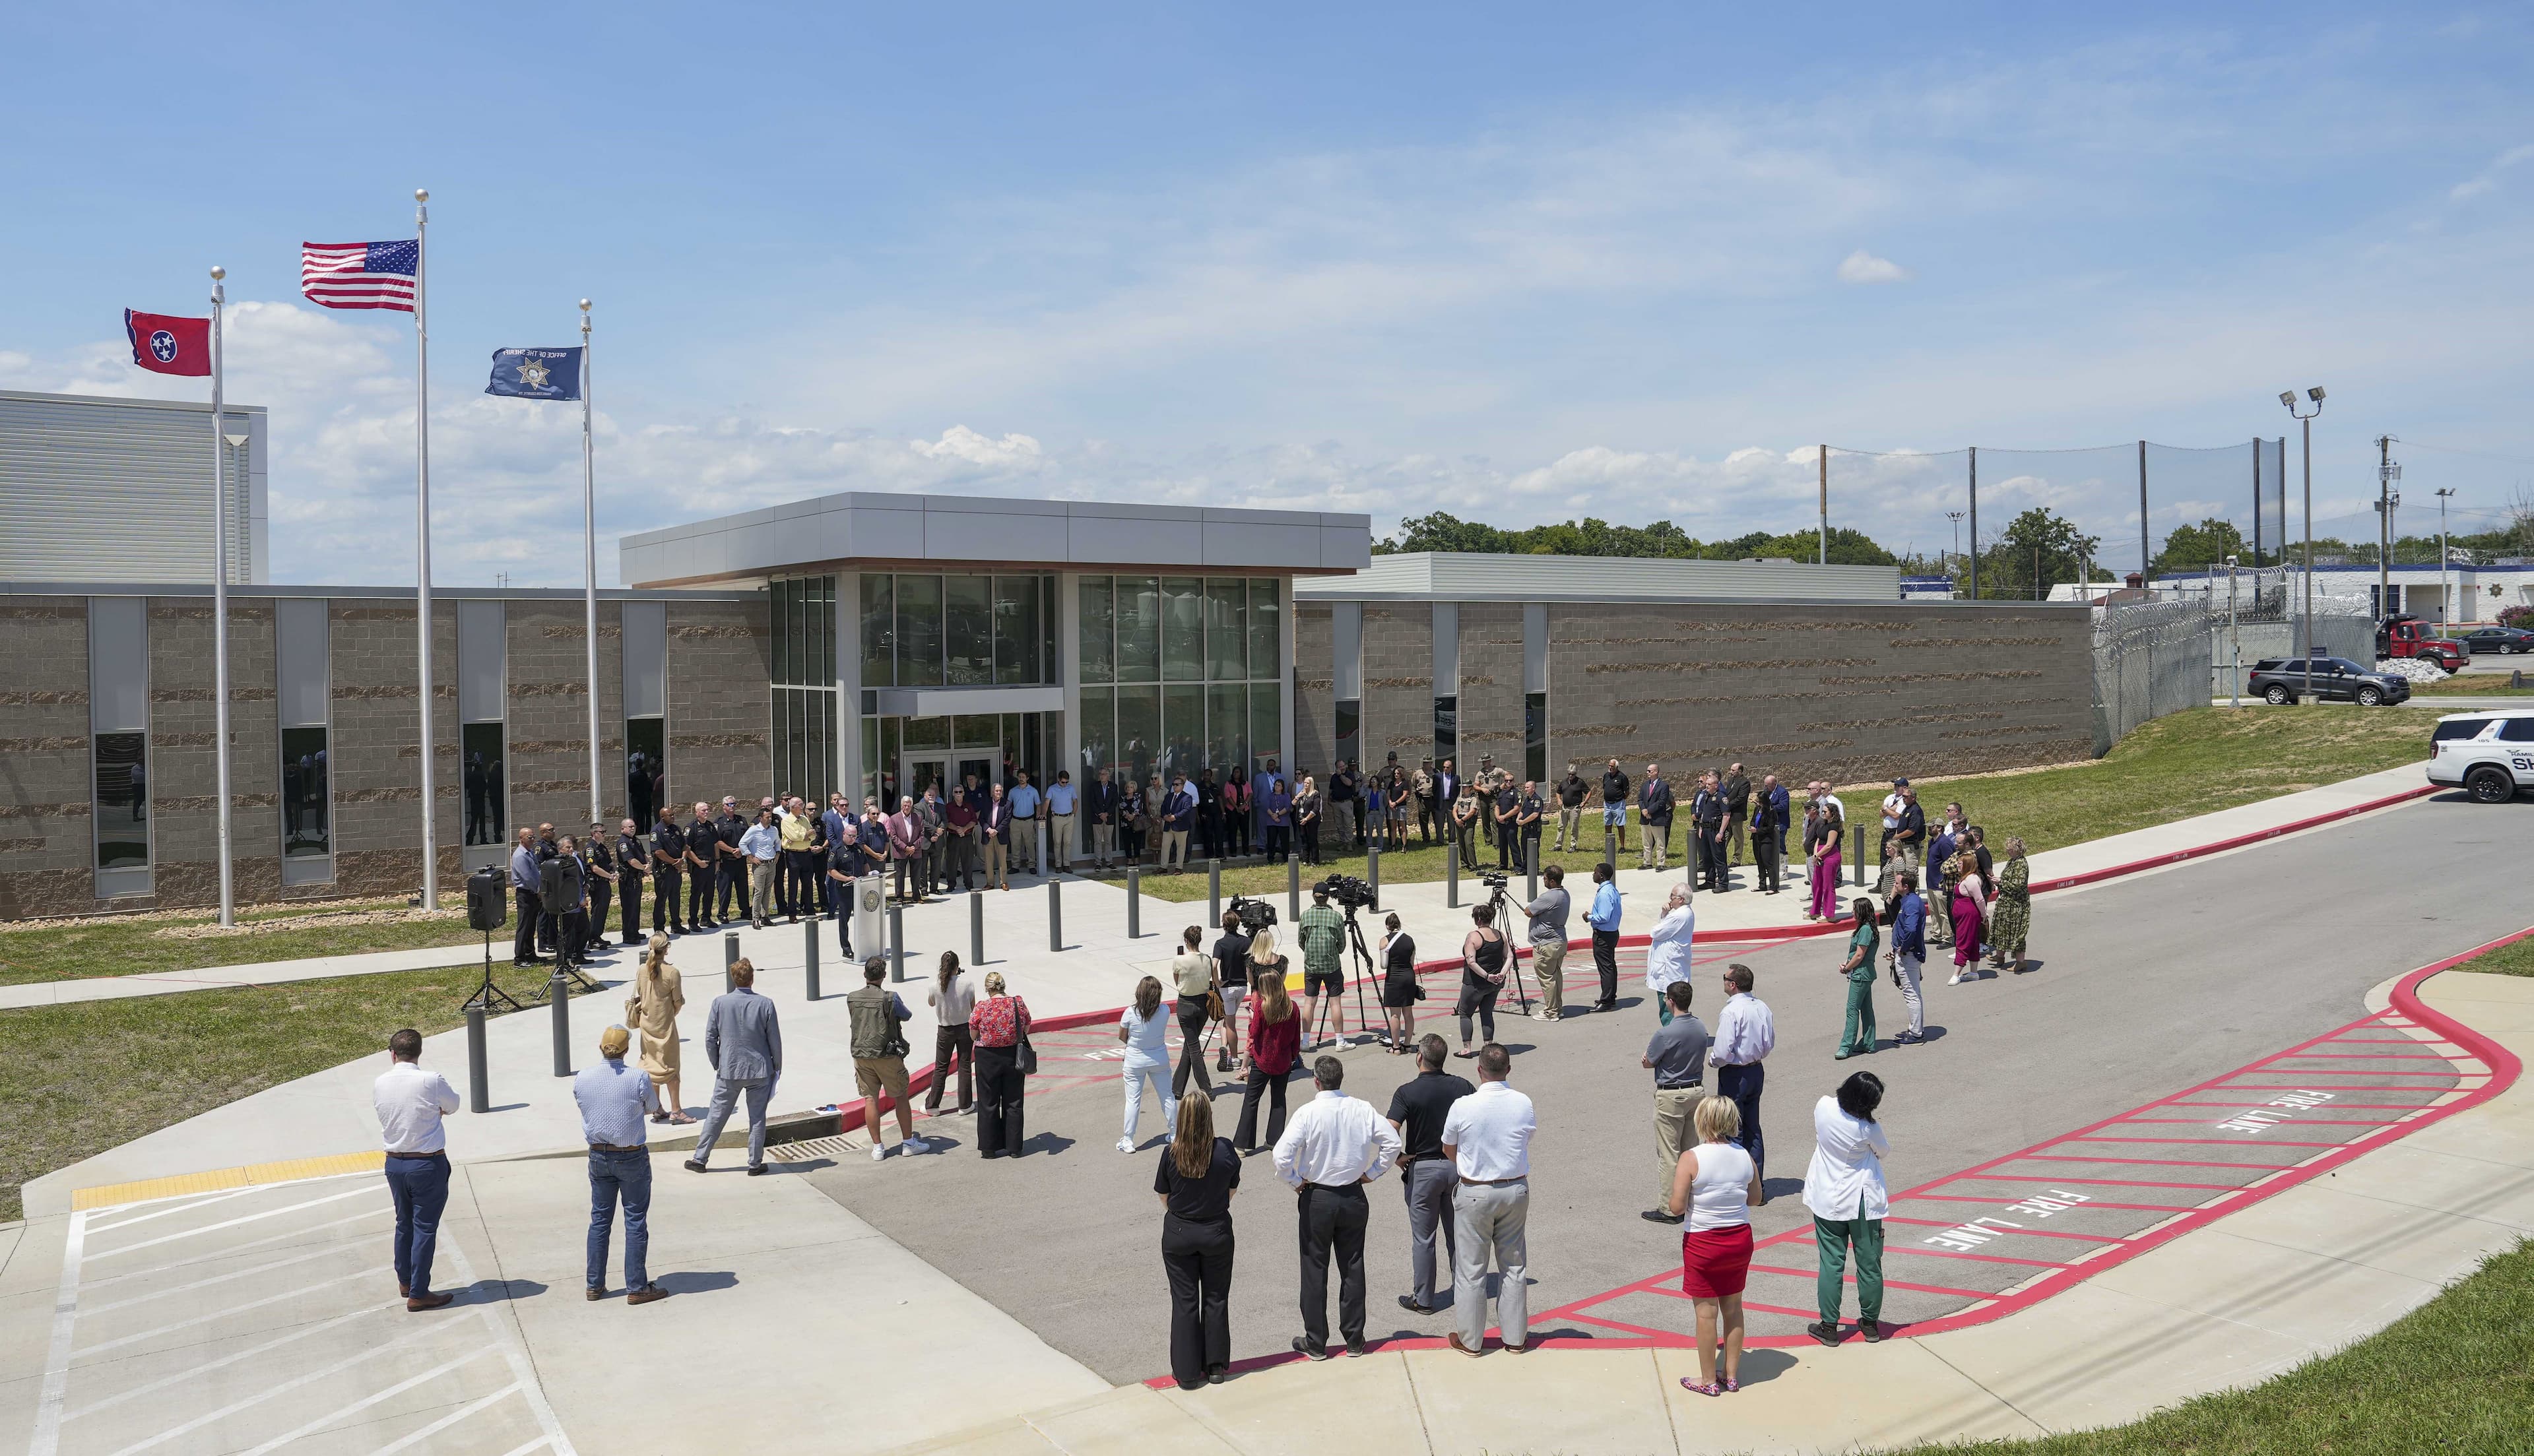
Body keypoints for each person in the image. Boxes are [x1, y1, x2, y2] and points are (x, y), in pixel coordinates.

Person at [1274, 1054, 1404, 1360]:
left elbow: (1281, 1157)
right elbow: (1392, 1143)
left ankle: (1316, 1341)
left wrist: (1295, 1181)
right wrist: (1371, 1173)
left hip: (1317, 1197)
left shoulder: (1307, 1113)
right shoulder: (1361, 1108)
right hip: (1353, 1195)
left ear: (1317, 1081)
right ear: (1340, 1079)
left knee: (1315, 1268)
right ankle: (1355, 1339)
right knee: (1353, 1266)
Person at [1441, 1043, 1535, 1356]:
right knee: (1514, 1265)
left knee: (1471, 1269)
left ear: (1479, 1070)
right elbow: (1524, 1138)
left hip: (1475, 1190)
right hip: (1514, 1189)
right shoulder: (1522, 1102)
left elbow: (1448, 1149)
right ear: (1508, 1069)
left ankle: (1471, 1340)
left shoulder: (1463, 1105)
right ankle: (1516, 1338)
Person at [1667, 1094, 1763, 1395]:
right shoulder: (1744, 1156)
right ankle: (1731, 1375)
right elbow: (1755, 1198)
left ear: (1702, 1121)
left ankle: (1708, 1380)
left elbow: (1676, 1207)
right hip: (1739, 1239)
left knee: (1706, 1313)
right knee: (1733, 1308)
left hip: (1704, 1241)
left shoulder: (1691, 1158)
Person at [574, 1024, 669, 1305]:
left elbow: (582, 1104)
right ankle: (637, 1286)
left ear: (600, 1048)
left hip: (598, 1155)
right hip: (631, 1156)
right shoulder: (638, 1077)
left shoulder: (584, 1077)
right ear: (627, 1050)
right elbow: (652, 1107)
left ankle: (594, 1284)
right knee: (635, 1220)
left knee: (600, 1220)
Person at [1156, 1090, 1241, 1389]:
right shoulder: (1225, 1150)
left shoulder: (1171, 1152)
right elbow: (1230, 1192)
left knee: (1185, 1302)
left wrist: (1183, 1215)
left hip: (1180, 1232)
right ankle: (1215, 1366)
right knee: (1216, 1298)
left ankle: (1187, 1372)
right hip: (1216, 1230)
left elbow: (1164, 1196)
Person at [373, 1028, 459, 1311]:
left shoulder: (381, 1082)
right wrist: (436, 1110)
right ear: (419, 1053)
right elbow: (453, 1105)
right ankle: (419, 1292)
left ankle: (406, 1280)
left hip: (394, 1162)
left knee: (404, 1221)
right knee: (425, 1227)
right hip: (426, 1162)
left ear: (393, 1054)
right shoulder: (430, 1080)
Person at [1386, 1033, 1472, 1314]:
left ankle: (1423, 1299)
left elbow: (1388, 1130)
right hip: (1457, 1168)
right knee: (1458, 1235)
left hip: (1423, 1170)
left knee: (1424, 1239)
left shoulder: (1407, 1091)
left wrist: (1398, 1157)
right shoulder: (1463, 1086)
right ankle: (1466, 1293)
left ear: (1420, 1057)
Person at [1806, 1071, 1891, 1345]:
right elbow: (1883, 1152)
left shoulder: (1824, 1106)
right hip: (1862, 1201)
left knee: (1831, 1263)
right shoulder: (1868, 1129)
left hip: (1827, 1198)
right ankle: (1869, 1325)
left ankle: (1829, 1327)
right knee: (1869, 1264)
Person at [684, 958, 781, 1176]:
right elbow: (774, 1039)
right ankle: (755, 1164)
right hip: (760, 1070)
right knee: (757, 1118)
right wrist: (777, 1066)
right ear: (752, 978)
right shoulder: (765, 1004)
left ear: (733, 978)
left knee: (717, 1115)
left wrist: (717, 1062)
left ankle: (700, 1159)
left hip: (729, 1069)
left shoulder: (720, 1003)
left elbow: (710, 1038)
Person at [1639, 980, 1712, 1223]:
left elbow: (1649, 1061)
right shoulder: (1700, 1028)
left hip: (1671, 1095)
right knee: (1690, 1150)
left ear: (1670, 1001)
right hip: (1696, 1092)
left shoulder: (1666, 1032)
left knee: (1669, 1154)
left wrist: (1648, 1061)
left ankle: (1670, 1208)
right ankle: (1691, 1200)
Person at [849, 957, 932, 1160]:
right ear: (884, 976)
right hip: (886, 1055)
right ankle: (908, 1143)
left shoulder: (852, 998)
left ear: (865, 975)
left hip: (861, 1054)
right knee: (900, 1095)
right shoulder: (890, 998)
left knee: (870, 1099)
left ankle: (878, 1147)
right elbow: (907, 1015)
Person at [1709, 962, 1776, 1201]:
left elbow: (1723, 1050)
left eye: (1725, 978)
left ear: (1733, 984)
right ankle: (1755, 1188)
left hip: (1734, 1074)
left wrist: (1713, 1061)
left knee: (1731, 1129)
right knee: (1752, 1128)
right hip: (1756, 1070)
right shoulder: (1762, 1007)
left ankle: (1735, 1187)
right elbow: (1769, 1043)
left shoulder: (1731, 1011)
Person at [1235, 938, 1299, 1153]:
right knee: (1278, 1100)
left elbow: (1254, 1034)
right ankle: (1274, 1140)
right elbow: (1296, 1037)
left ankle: (1242, 1144)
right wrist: (1292, 1056)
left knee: (1251, 1100)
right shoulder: (1293, 1007)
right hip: (1283, 1060)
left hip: (1263, 1060)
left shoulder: (1262, 1008)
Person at [626, 934, 692, 1124]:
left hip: (647, 1025)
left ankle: (656, 1108)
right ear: (667, 948)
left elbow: (641, 994)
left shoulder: (641, 970)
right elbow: (677, 1002)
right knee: (671, 1068)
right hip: (665, 1026)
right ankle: (676, 1110)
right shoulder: (673, 972)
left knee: (652, 1066)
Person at [1114, 972, 1181, 1152]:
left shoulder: (1130, 1013)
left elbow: (1122, 1036)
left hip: (1135, 1060)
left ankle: (1128, 1140)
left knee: (1133, 1100)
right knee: (1167, 1096)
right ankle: (1174, 1134)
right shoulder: (1165, 1010)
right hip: (1159, 1058)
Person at [971, 971, 1033, 1158]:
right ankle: (1014, 1147)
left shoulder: (982, 1007)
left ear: (987, 988)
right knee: (1013, 1101)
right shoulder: (1017, 1003)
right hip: (1013, 1054)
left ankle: (989, 1148)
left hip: (987, 1057)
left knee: (988, 1102)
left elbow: (973, 1034)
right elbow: (1027, 1027)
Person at [922, 951, 977, 1115]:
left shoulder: (935, 986)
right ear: (957, 967)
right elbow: (973, 1007)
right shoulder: (967, 984)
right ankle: (965, 1105)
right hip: (964, 1028)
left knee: (941, 1067)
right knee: (964, 1065)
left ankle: (933, 1105)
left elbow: (931, 1003)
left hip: (945, 1030)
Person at [1454, 903, 1510, 1058]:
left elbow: (1471, 962)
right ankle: (1489, 1047)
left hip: (1475, 983)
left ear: (1478, 919)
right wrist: (1502, 973)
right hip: (1495, 983)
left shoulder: (1474, 936)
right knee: (1487, 1013)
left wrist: (1486, 975)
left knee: (1465, 1014)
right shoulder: (1500, 934)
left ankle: (1467, 1049)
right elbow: (1509, 956)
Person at [1168, 926, 1216, 1099]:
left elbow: (1177, 981)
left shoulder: (1179, 960)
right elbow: (1215, 980)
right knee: (1190, 1045)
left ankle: (1207, 1089)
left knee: (1193, 1048)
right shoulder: (1207, 960)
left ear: (1186, 941)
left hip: (1186, 1004)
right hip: (1202, 1006)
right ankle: (1176, 1088)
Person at [1297, 885, 1347, 1050]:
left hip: (1311, 965)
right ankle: (1340, 1040)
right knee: (1335, 1003)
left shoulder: (1305, 916)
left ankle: (1305, 1041)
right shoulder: (1336, 917)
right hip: (1331, 965)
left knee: (1309, 1003)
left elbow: (1301, 942)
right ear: (1328, 897)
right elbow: (1342, 944)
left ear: (1313, 896)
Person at [1522, 863, 1570, 1021]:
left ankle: (1551, 1012)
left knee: (1547, 979)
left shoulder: (1549, 896)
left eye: (1546, 878)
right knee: (1555, 976)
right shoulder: (1564, 894)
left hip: (1546, 944)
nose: (1544, 880)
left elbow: (1529, 911)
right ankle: (1558, 1008)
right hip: (1559, 941)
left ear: (1552, 882)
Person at [1836, 897, 1881, 1058]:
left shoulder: (1865, 930)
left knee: (1852, 1009)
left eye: (1854, 909)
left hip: (1861, 974)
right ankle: (1868, 1042)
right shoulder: (1868, 929)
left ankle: (1846, 1046)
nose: (1852, 912)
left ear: (1861, 911)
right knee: (1866, 1009)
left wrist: (1847, 968)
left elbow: (1860, 954)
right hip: (1865, 973)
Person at [1888, 871, 1928, 1045]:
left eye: (1897, 883)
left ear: (1906, 886)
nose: (1895, 886)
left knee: (1911, 994)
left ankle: (1916, 1033)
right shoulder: (1909, 900)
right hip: (1907, 953)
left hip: (1909, 955)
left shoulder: (1911, 904)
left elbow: (1911, 930)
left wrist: (1902, 948)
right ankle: (1914, 1027)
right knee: (1914, 993)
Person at [1646, 883, 1694, 1025]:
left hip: (1669, 972)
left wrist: (1665, 915)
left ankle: (1672, 1037)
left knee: (1668, 1008)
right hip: (1673, 969)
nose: (1670, 899)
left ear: (1681, 899)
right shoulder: (1683, 913)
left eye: (1672, 896)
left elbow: (1656, 932)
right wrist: (1665, 914)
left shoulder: (1679, 916)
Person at [1212, 908, 1253, 1073]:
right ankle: (1223, 1045)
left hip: (1227, 988)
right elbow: (1251, 963)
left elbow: (1214, 965)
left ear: (1224, 925)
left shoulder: (1220, 944)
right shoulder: (1246, 942)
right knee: (1227, 1020)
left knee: (1231, 1023)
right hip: (1242, 986)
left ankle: (1234, 1058)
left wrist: (1217, 982)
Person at [542, 835, 589, 968]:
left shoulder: (574, 859)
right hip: (570, 904)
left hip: (579, 900)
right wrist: (580, 899)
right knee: (567, 933)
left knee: (584, 928)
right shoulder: (559, 864)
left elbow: (579, 880)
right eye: (568, 847)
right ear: (560, 850)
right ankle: (562, 961)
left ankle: (578, 955)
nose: (571, 849)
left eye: (571, 847)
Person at [1378, 911, 1420, 1051]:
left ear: (1387, 926)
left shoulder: (1385, 940)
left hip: (1394, 978)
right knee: (1408, 1013)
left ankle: (1396, 1047)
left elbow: (1384, 965)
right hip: (1409, 977)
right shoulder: (1410, 940)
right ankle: (1407, 1044)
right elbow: (1411, 962)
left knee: (1395, 1014)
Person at [1947, 839, 1987, 985]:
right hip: (1963, 916)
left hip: (1969, 916)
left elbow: (1980, 900)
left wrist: (1984, 915)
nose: (1958, 865)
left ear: (1968, 865)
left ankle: (1956, 974)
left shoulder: (1971, 880)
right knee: (1972, 942)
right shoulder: (1965, 878)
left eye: (1961, 863)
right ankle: (1974, 972)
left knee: (1963, 942)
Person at [1584, 862, 1623, 1011]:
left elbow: (1604, 916)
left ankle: (1606, 1001)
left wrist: (1588, 917)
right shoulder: (1612, 890)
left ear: (1601, 875)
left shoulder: (1605, 893)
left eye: (1595, 873)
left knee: (1606, 969)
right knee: (1610, 966)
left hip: (1604, 935)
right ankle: (1611, 997)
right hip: (1612, 932)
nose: (1593, 875)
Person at [1989, 836, 2031, 973]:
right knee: (2002, 929)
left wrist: (2000, 882)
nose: (2008, 851)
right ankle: (1999, 956)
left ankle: (2020, 962)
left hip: (2016, 905)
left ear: (2017, 850)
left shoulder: (2020, 864)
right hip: (2006, 903)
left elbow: (2018, 885)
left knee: (2016, 933)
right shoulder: (2013, 861)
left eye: (2010, 849)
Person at [684, 801, 722, 932]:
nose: (706, 812)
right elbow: (687, 849)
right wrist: (698, 862)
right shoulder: (691, 828)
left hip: (711, 865)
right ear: (697, 812)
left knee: (709, 893)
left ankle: (706, 918)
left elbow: (716, 844)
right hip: (698, 867)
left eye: (707, 810)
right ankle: (693, 921)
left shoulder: (711, 826)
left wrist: (717, 861)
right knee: (696, 894)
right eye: (703, 810)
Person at [649, 806, 688, 937]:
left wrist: (682, 860)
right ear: (662, 817)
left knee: (675, 897)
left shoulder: (676, 829)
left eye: (673, 815)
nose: (673, 817)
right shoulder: (656, 831)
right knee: (662, 899)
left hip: (676, 870)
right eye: (670, 815)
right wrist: (674, 862)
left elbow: (685, 846)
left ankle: (676, 924)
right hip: (663, 871)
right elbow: (658, 851)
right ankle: (659, 928)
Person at [1807, 793, 1844, 923]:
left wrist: (1818, 854)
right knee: (1817, 884)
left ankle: (1829, 914)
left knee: (1828, 886)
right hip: (1820, 856)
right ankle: (1815, 911)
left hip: (1830, 857)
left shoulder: (1834, 826)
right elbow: (1819, 839)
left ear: (1832, 814)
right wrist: (1815, 853)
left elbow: (1829, 845)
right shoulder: (1823, 824)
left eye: (1825, 812)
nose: (1823, 813)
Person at [508, 827, 543, 967]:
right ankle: (519, 958)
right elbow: (527, 877)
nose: (532, 840)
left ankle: (530, 955)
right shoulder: (520, 855)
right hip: (526, 894)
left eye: (533, 837)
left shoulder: (529, 852)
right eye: (530, 837)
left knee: (530, 926)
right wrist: (538, 891)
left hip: (533, 893)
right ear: (521, 839)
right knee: (524, 926)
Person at [740, 807, 781, 928]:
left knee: (767, 891)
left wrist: (778, 853)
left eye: (771, 817)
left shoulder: (774, 830)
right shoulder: (754, 830)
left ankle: (765, 916)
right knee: (759, 891)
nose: (770, 819)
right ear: (760, 818)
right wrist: (751, 857)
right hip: (760, 865)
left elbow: (778, 842)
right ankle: (755, 918)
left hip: (771, 863)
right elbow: (742, 843)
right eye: (767, 817)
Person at [614, 818, 649, 947]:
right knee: (629, 907)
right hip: (628, 879)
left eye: (634, 826)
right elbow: (632, 861)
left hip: (637, 877)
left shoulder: (636, 840)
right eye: (629, 827)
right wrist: (644, 868)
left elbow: (643, 854)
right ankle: (628, 935)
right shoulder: (623, 843)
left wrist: (647, 864)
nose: (632, 828)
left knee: (636, 906)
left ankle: (635, 931)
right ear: (622, 829)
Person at [1753, 775, 1790, 895]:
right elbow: (1754, 820)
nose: (1766, 787)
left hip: (1776, 829)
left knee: (1776, 852)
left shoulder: (1782, 793)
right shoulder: (1759, 808)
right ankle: (1762, 884)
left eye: (1768, 785)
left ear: (1774, 784)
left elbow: (1783, 806)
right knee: (1760, 861)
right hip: (1758, 837)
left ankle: (1778, 878)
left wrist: (1770, 807)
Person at [1641, 762, 1677, 874]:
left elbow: (1661, 802)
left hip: (1657, 817)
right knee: (1646, 841)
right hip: (1645, 818)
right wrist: (1643, 810)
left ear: (1656, 772)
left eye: (1649, 771)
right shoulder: (1645, 785)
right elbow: (1640, 799)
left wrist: (1649, 810)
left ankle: (1660, 863)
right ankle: (1647, 862)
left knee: (1660, 842)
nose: (1647, 773)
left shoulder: (1663, 786)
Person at [1007, 769, 1041, 876]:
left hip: (1029, 821)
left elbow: (1038, 806)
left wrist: (1037, 820)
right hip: (1015, 821)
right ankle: (1015, 866)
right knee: (1015, 844)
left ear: (1027, 778)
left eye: (1023, 777)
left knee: (1030, 844)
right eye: (1020, 777)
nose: (1021, 779)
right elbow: (1008, 806)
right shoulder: (1013, 791)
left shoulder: (1033, 791)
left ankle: (1032, 865)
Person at [1088, 765, 1121, 868]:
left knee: (1108, 841)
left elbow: (1115, 802)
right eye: (1100, 774)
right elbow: (1092, 802)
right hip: (1097, 818)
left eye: (1103, 774)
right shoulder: (1094, 786)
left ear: (1108, 775)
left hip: (1109, 818)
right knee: (1097, 841)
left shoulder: (1114, 786)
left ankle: (1109, 861)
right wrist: (1100, 814)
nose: (1101, 776)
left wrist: (1107, 814)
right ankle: (1098, 862)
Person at [983, 782, 1014, 890]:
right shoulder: (986, 802)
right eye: (997, 791)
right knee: (988, 861)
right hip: (988, 835)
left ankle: (1003, 882)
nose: (999, 793)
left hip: (1001, 835)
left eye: (1000, 791)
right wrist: (989, 830)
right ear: (992, 792)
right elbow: (981, 818)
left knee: (1002, 861)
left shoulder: (1007, 804)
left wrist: (996, 830)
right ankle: (990, 883)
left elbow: (1007, 819)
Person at [1552, 761, 1588, 852]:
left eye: (1573, 774)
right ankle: (1558, 845)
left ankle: (1573, 846)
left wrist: (1585, 802)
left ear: (1576, 774)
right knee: (1561, 826)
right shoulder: (1564, 782)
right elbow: (1558, 792)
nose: (1571, 776)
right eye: (1569, 774)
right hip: (1565, 808)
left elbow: (1588, 792)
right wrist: (1559, 800)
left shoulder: (1580, 782)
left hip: (1575, 808)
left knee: (1574, 827)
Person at [1044, 769, 1076, 873]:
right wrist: (1043, 815)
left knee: (1067, 842)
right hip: (1057, 817)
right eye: (1063, 782)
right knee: (1057, 842)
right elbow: (1047, 802)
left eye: (1067, 782)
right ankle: (1058, 865)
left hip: (1069, 817)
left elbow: (1075, 801)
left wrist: (1073, 814)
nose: (1065, 784)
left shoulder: (1071, 788)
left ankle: (1067, 864)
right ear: (1058, 780)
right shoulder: (1052, 789)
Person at [1721, 763, 1751, 870]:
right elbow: (1727, 794)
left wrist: (1728, 805)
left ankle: (1737, 860)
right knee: (1723, 836)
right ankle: (1720, 857)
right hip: (1727, 814)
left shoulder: (1745, 782)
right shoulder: (1730, 780)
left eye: (1734, 770)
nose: (1731, 772)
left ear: (1740, 771)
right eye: (1731, 770)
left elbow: (1741, 798)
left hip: (1737, 815)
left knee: (1738, 838)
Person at [1450, 780, 1481, 868]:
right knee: (1461, 843)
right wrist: (1457, 819)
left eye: (1465, 787)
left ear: (1470, 788)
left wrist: (1462, 820)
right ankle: (1464, 864)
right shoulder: (1460, 798)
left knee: (1468, 843)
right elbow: (1454, 810)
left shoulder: (1473, 799)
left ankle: (1473, 865)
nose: (1463, 789)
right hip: (1459, 821)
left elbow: (1472, 812)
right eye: (1462, 787)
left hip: (1468, 822)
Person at [1294, 774, 1323, 866]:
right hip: (1301, 820)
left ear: (1311, 784)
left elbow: (1316, 808)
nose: (1306, 785)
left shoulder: (1315, 794)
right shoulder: (1303, 793)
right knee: (1304, 840)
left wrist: (1307, 819)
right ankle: (1305, 860)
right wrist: (1298, 796)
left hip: (1312, 820)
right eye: (1305, 783)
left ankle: (1315, 861)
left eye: (1308, 783)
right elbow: (1293, 803)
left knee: (1312, 840)